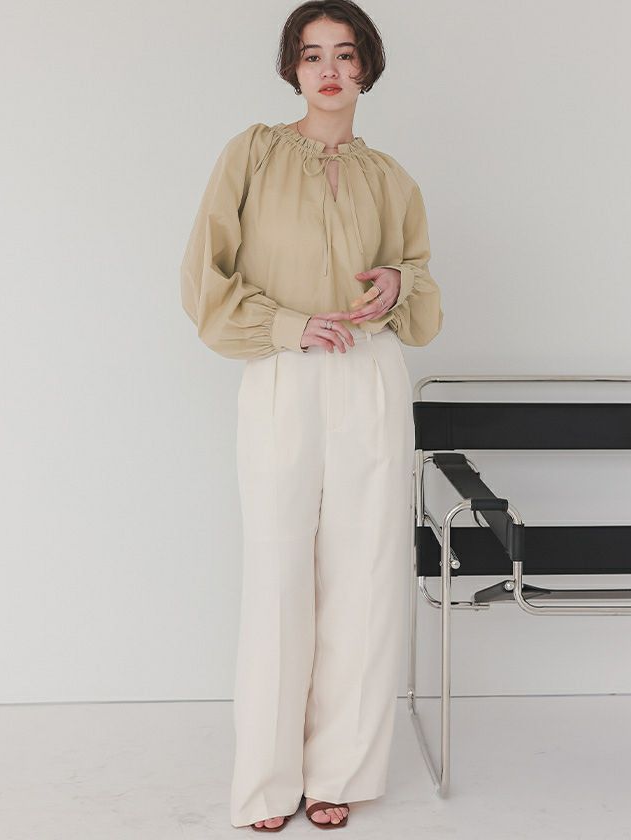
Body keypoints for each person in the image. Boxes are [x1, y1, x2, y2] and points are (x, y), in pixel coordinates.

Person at [180, 0, 443, 830]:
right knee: (277, 573)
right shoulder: (252, 154)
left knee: (366, 576)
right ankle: (266, 783)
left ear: (367, 66)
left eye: (345, 53)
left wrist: (399, 282)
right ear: (292, 68)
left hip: (370, 374)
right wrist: (289, 325)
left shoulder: (391, 177)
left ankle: (339, 774)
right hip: (283, 372)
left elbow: (420, 293)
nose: (329, 70)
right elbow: (205, 278)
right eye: (311, 54)